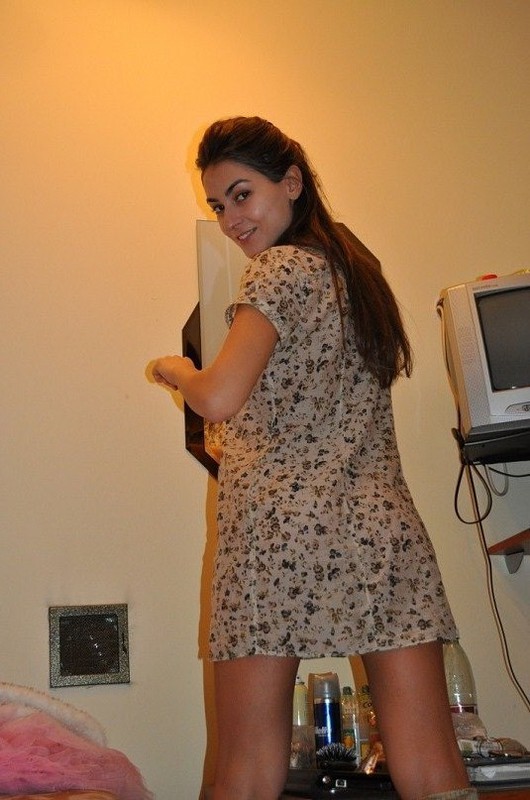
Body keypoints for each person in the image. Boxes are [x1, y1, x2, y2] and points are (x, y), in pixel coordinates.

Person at [151, 117, 476, 800]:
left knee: (247, 765)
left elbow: (220, 396)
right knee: (431, 763)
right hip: (380, 527)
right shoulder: (356, 273)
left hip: (279, 535)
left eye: (242, 194)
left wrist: (175, 370)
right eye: (218, 205)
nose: (231, 219)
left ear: (292, 182)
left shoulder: (278, 269)